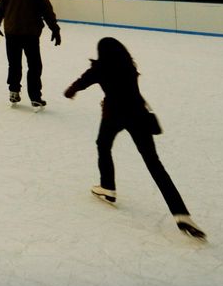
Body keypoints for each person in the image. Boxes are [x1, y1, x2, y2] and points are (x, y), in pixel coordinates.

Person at [64, 37, 206, 240]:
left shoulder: (100, 68)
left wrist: (70, 91)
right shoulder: (128, 67)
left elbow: (81, 82)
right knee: (154, 165)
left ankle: (107, 187)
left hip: (114, 116)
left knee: (103, 145)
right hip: (138, 115)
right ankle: (181, 213)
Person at [0, 0, 60, 107]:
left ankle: (14, 92)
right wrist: (55, 29)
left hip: (12, 34)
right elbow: (47, 12)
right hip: (30, 34)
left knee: (14, 64)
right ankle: (35, 96)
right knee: (34, 65)